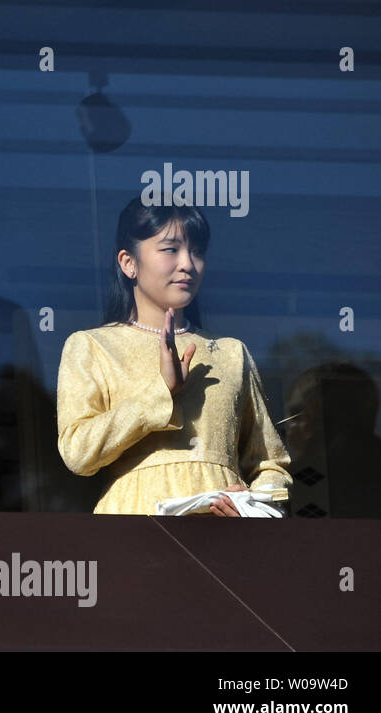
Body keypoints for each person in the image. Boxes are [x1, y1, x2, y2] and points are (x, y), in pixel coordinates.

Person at [56, 197, 291, 516]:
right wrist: (160, 394)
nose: (188, 264)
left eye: (197, 251)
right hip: (132, 531)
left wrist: (253, 504)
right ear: (129, 263)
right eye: (170, 249)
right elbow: (78, 453)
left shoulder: (231, 352)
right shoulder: (93, 346)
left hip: (224, 539)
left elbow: (270, 464)